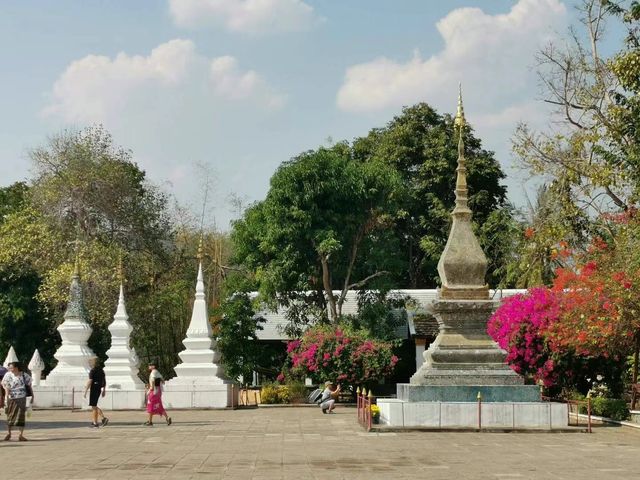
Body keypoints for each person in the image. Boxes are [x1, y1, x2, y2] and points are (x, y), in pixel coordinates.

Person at [1, 361, 33, 441]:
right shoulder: (8, 375)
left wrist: (32, 396)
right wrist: (6, 393)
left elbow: (29, 386)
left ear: (16, 367)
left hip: (22, 398)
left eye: (11, 367)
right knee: (10, 416)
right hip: (11, 398)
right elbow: (4, 385)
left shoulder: (24, 375)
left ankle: (21, 435)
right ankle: (9, 433)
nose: (10, 369)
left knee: (21, 417)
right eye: (9, 368)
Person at [144, 360, 171, 426]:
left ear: (153, 366)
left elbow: (153, 380)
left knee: (150, 405)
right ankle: (167, 418)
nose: (149, 366)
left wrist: (151, 387)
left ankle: (150, 422)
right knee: (159, 406)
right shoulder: (157, 372)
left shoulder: (153, 372)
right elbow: (163, 380)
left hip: (154, 391)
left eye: (150, 365)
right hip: (158, 391)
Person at [84, 357, 108, 428]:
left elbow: (90, 381)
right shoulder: (101, 371)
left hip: (94, 388)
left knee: (94, 406)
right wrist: (104, 390)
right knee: (94, 405)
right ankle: (96, 420)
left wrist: (85, 391)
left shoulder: (93, 371)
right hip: (99, 388)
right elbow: (104, 381)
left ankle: (99, 421)